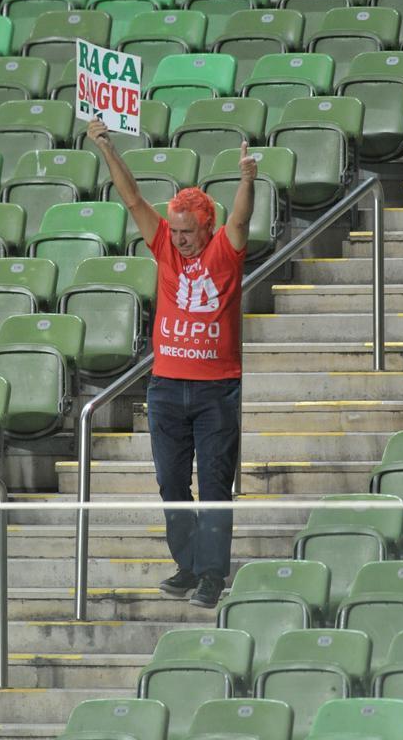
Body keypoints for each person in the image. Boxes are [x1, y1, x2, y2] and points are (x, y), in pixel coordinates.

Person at [87, 118, 257, 608]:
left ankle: (211, 575)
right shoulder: (162, 244)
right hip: (165, 387)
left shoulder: (226, 250)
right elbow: (133, 199)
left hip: (215, 390)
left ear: (207, 226)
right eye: (176, 230)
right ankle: (187, 564)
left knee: (214, 485)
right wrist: (105, 148)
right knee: (170, 483)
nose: (179, 239)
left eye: (188, 231)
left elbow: (242, 221)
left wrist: (246, 180)